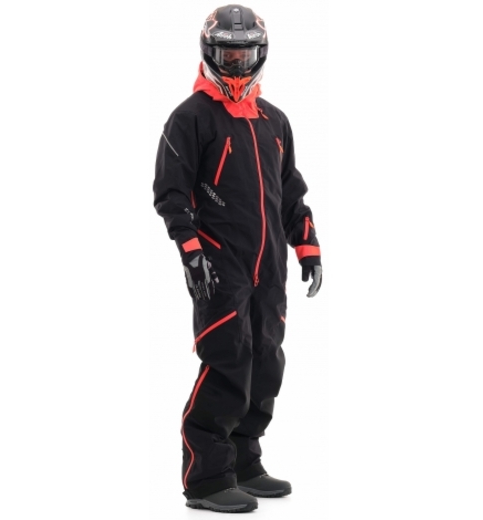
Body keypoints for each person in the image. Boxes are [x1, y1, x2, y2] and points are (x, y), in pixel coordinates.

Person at [153, 4, 322, 513]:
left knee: (266, 363)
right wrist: (191, 252)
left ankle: (244, 462)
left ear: (259, 55)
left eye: (244, 55)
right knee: (228, 362)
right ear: (210, 54)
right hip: (219, 265)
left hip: (269, 268)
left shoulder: (275, 122)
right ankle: (206, 478)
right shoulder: (190, 118)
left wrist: (307, 246)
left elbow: (290, 193)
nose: (236, 65)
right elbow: (171, 194)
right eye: (227, 55)